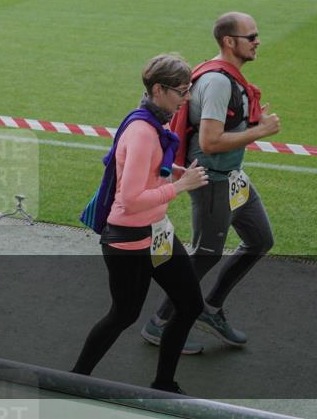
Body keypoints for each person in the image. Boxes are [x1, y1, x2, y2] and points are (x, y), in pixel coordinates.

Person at [141, 12, 280, 350]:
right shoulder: (218, 82)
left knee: (260, 240)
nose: (257, 40)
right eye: (251, 36)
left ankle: (210, 309)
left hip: (233, 177)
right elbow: (210, 142)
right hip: (212, 180)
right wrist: (260, 131)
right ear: (229, 42)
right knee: (205, 253)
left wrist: (249, 124)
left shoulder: (228, 78)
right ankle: (160, 323)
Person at [71, 54, 208, 394]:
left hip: (155, 233)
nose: (186, 98)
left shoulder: (150, 121)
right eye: (181, 91)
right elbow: (129, 199)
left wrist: (174, 175)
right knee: (123, 314)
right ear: (159, 90)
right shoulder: (143, 131)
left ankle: (164, 384)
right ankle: (73, 380)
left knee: (190, 304)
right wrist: (180, 186)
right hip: (130, 241)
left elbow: (144, 175)